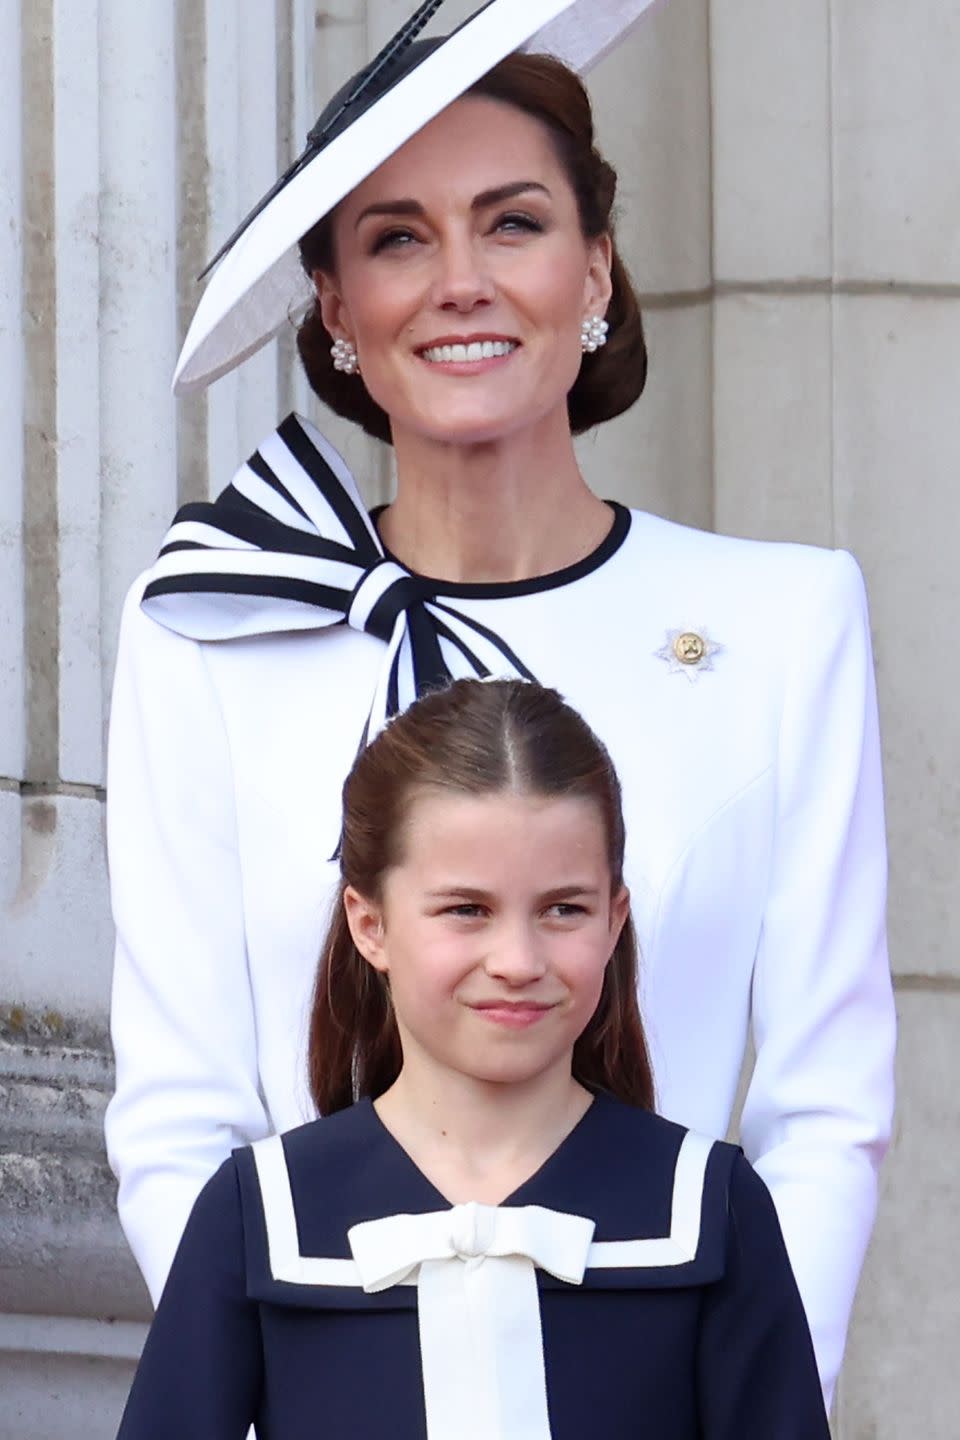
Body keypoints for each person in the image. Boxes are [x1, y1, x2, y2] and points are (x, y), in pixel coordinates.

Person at [105, 0, 895, 1405]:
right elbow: (182, 1113)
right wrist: (300, 1386)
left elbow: (824, 1111)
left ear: (596, 267)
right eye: (399, 236)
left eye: (514, 223)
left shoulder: (785, 624)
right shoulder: (213, 635)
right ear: (335, 306)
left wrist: (744, 1396)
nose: (461, 279)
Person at [115, 679, 832, 1439]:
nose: (519, 960)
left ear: (615, 918)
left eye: (565, 908)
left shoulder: (712, 1209)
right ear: (371, 924)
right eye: (467, 910)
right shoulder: (258, 1213)